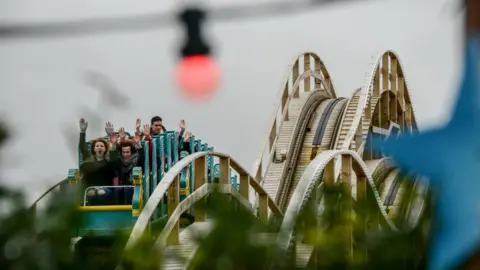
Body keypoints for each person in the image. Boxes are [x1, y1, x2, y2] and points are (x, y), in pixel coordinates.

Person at [78, 118, 119, 205]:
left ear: (105, 149)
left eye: (102, 146)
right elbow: (82, 148)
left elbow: (114, 157)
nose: (99, 147)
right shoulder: (89, 160)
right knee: (91, 193)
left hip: (106, 189)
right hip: (91, 188)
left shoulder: (108, 162)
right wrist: (82, 132)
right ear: (94, 149)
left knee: (101, 192)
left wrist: (111, 137)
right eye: (97, 146)